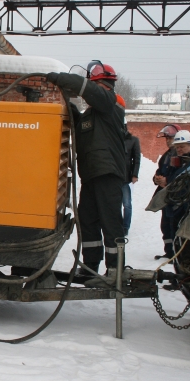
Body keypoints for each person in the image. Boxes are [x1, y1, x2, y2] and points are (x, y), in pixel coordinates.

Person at [47, 61, 126, 279]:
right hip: (92, 174)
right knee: (88, 220)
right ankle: (91, 266)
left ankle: (115, 268)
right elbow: (82, 127)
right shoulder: (94, 114)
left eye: (95, 85)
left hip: (108, 174)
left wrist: (59, 78)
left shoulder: (109, 102)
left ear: (104, 84)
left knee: (110, 221)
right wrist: (70, 108)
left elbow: (89, 90)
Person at [157, 130, 190, 290]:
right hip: (173, 207)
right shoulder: (176, 160)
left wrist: (168, 181)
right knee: (175, 243)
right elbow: (168, 174)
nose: (179, 150)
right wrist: (161, 179)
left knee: (183, 248)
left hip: (185, 208)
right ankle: (179, 276)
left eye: (182, 147)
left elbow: (186, 181)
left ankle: (182, 278)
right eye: (178, 147)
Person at [152, 124, 182, 260]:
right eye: (167, 139)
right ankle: (169, 252)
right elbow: (160, 171)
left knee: (175, 225)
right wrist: (157, 179)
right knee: (166, 226)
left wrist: (167, 181)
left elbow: (182, 175)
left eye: (171, 138)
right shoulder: (166, 155)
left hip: (177, 197)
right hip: (166, 197)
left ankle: (177, 254)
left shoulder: (182, 155)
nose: (168, 141)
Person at [123, 120, 141, 236]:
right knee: (113, 203)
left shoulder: (133, 140)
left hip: (125, 177)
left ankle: (125, 227)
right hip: (114, 177)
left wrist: (135, 174)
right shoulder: (113, 140)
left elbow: (137, 159)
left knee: (127, 204)